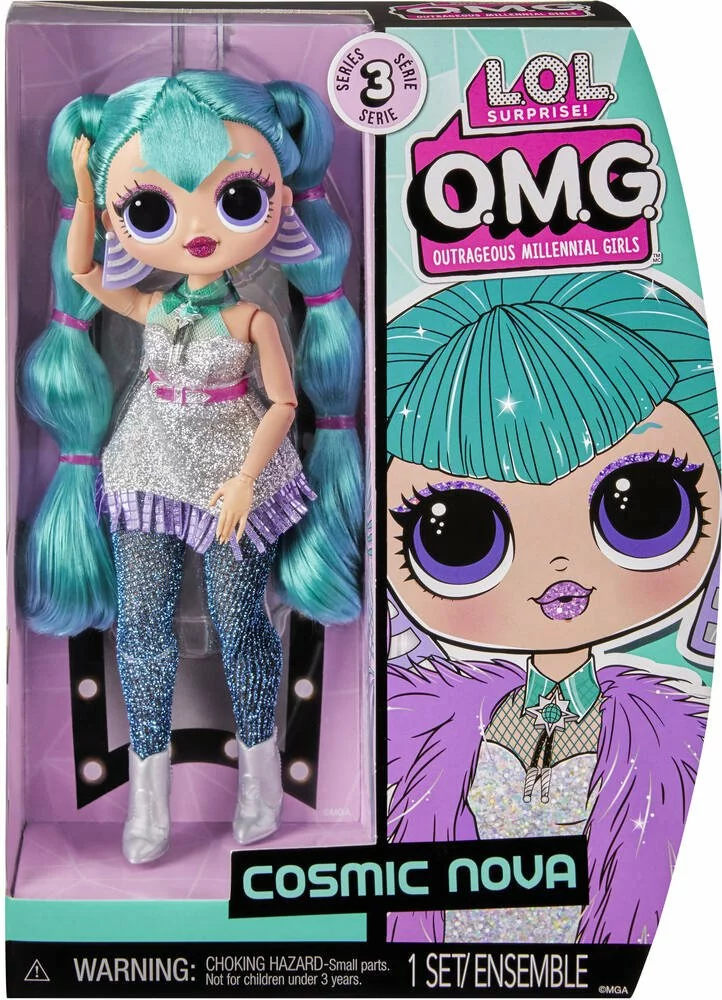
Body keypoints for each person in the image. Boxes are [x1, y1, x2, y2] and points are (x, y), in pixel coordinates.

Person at [21, 71, 363, 863]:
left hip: (232, 476)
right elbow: (84, 273)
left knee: (241, 622)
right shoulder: (154, 306)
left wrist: (243, 481)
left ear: (279, 201)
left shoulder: (250, 318)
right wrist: (81, 191)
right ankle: (149, 797)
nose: (200, 229)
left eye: (237, 198)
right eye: (150, 208)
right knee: (142, 627)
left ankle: (261, 780)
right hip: (146, 470)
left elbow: (283, 404)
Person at [386, 272, 719, 944]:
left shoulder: (680, 744)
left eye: (644, 505)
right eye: (459, 535)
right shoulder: (416, 727)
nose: (559, 568)